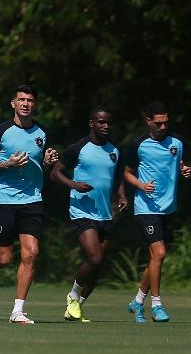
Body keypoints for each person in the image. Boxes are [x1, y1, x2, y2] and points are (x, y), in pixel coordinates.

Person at [0, 84, 58, 324]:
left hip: (32, 200)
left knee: (31, 253)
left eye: (30, 100)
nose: (25, 104)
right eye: (21, 99)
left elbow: (40, 165)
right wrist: (6, 165)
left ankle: (17, 310)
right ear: (13, 103)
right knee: (3, 258)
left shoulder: (42, 133)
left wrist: (48, 162)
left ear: (35, 104)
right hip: (2, 201)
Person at [51, 107, 127, 322]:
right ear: (91, 123)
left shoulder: (115, 149)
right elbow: (55, 173)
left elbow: (118, 176)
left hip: (105, 213)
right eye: (101, 122)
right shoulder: (78, 148)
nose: (105, 126)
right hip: (82, 211)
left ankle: (76, 307)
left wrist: (122, 195)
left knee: (98, 266)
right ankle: (73, 296)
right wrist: (73, 184)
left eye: (108, 123)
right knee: (94, 258)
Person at [124, 101, 191, 323]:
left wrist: (185, 170)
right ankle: (157, 305)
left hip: (168, 208)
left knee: (156, 259)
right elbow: (127, 173)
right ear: (149, 122)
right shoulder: (139, 145)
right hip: (146, 208)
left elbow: (182, 164)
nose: (163, 127)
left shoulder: (178, 142)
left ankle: (137, 302)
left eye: (166, 123)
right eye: (159, 123)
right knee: (159, 254)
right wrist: (142, 186)